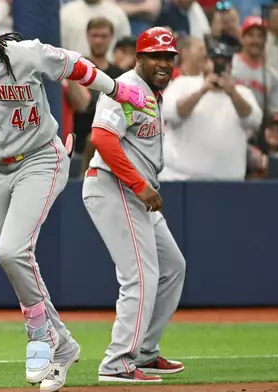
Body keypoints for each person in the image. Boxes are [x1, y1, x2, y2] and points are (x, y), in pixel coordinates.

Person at [0, 1, 157, 391]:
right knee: (15, 259)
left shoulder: (23, 54)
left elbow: (75, 64)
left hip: (42, 156)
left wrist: (116, 88)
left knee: (11, 251)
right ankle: (64, 344)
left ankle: (40, 335)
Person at [82, 27, 186, 383]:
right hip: (116, 187)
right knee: (140, 276)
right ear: (139, 57)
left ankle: (144, 351)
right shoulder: (124, 87)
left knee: (173, 266)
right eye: (155, 56)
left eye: (168, 57)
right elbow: (102, 138)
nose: (162, 63)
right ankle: (117, 363)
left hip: (133, 192)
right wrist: (140, 185)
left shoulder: (153, 93)